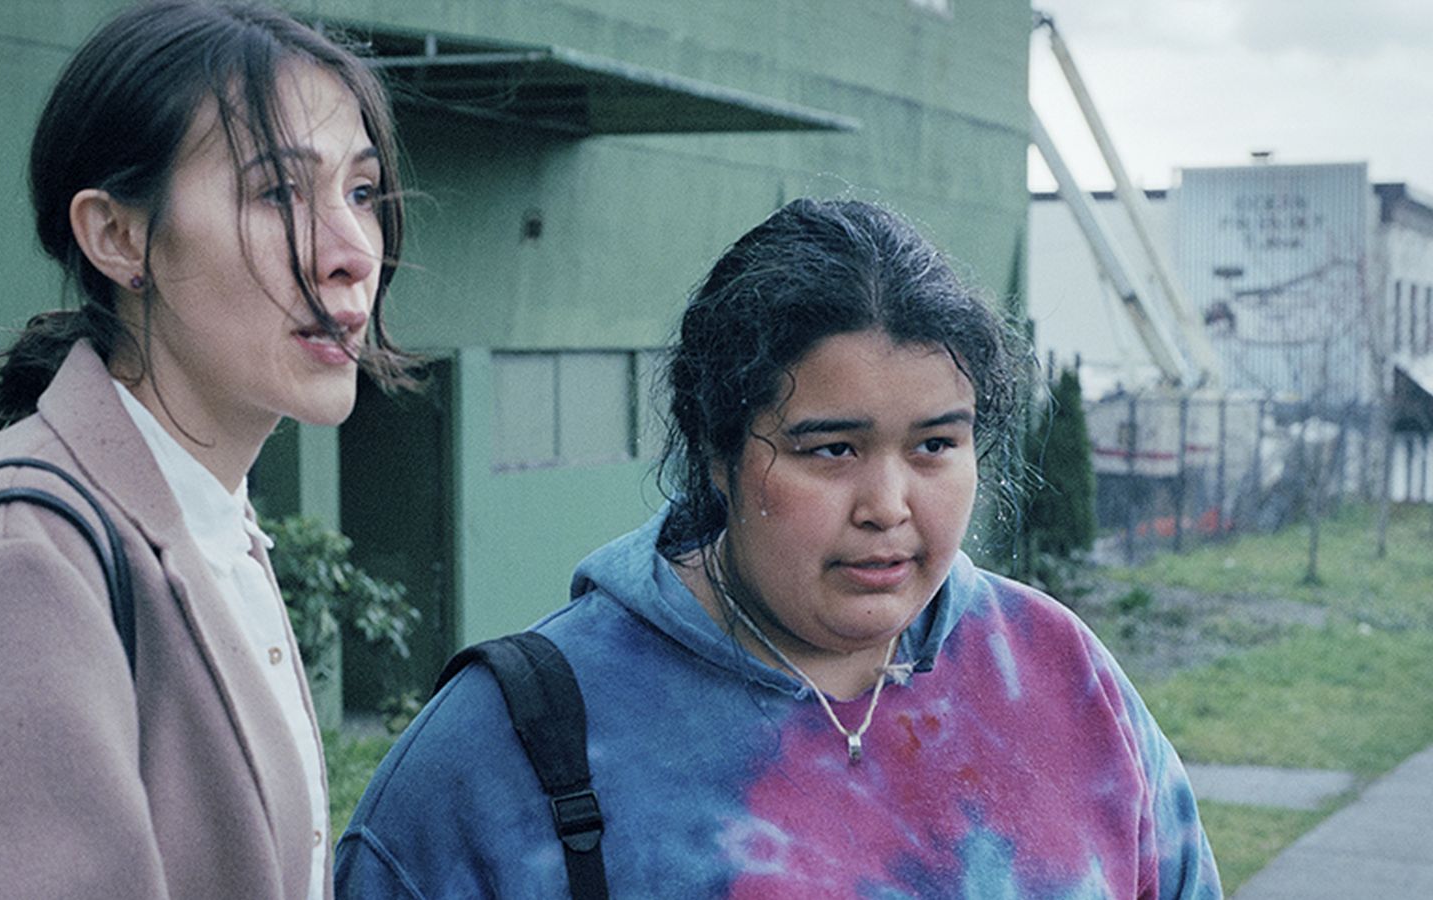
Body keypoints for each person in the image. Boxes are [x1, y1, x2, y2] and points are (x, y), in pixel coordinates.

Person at [336, 198, 1222, 897]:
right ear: (717, 455)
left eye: (935, 445)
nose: (887, 506)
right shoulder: (509, 747)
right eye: (830, 450)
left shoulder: (1064, 678)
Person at [0, 2, 411, 897]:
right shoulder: (24, 564)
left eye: (362, 192)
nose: (351, 253)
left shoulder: (206, 521)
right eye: (278, 192)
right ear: (116, 236)